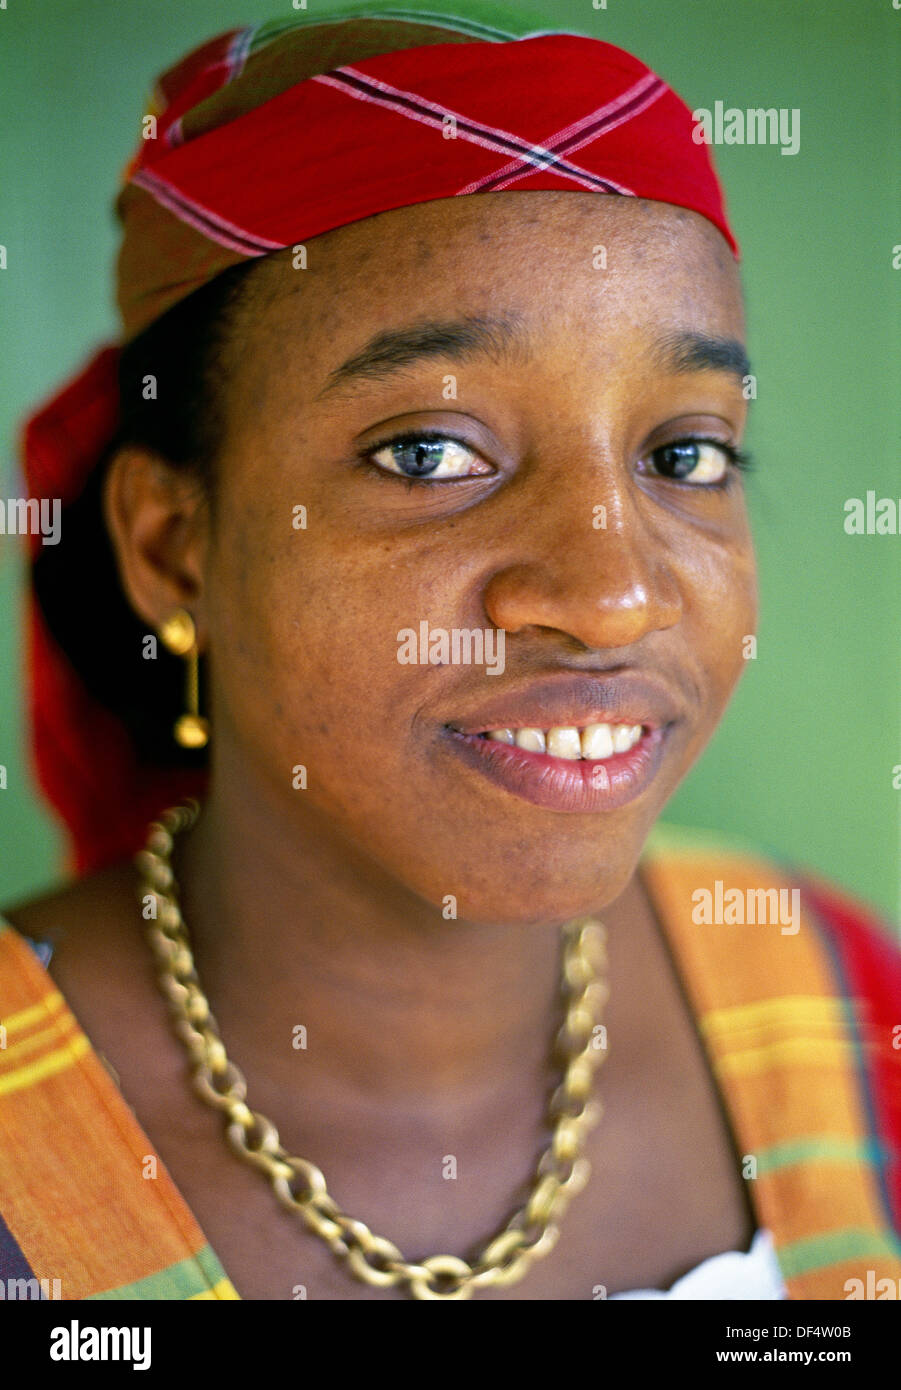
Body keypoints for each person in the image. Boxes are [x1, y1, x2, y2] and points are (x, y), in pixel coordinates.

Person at [1, 6, 899, 1302]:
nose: (611, 596)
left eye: (682, 454)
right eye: (427, 452)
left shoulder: (836, 996)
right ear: (174, 549)